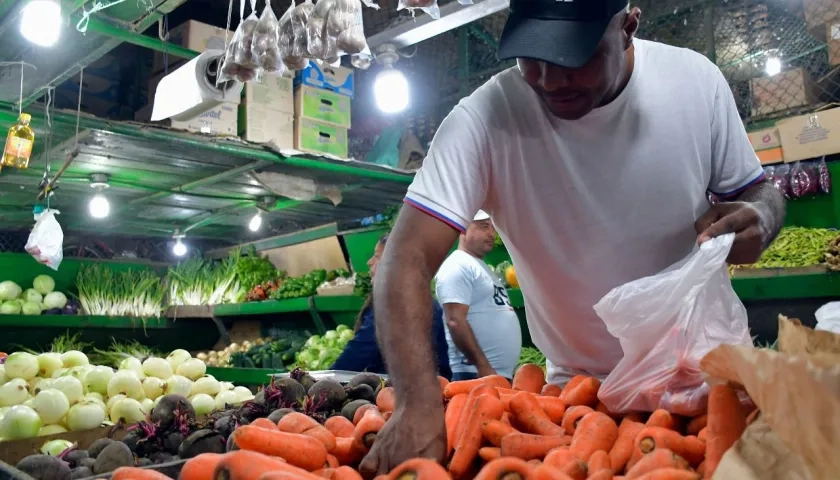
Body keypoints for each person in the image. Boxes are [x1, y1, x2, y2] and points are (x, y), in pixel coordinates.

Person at [359, 0, 786, 475]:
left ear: (627, 28)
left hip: (708, 386)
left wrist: (763, 215)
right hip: (578, 403)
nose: (549, 79)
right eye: (532, 56)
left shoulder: (694, 82)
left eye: (574, 57)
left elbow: (758, 190)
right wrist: (416, 402)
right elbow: (407, 255)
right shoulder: (485, 119)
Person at [330, 234, 451, 379]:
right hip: (432, 385)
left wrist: (327, 379)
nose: (369, 262)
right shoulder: (426, 300)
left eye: (376, 257)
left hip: (398, 392)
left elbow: (359, 352)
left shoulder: (390, 304)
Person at [435, 210, 521, 381]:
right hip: (475, 375)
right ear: (463, 228)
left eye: (492, 228)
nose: (491, 233)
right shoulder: (457, 266)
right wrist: (483, 366)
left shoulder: (481, 266)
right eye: (483, 227)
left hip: (494, 375)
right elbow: (455, 321)